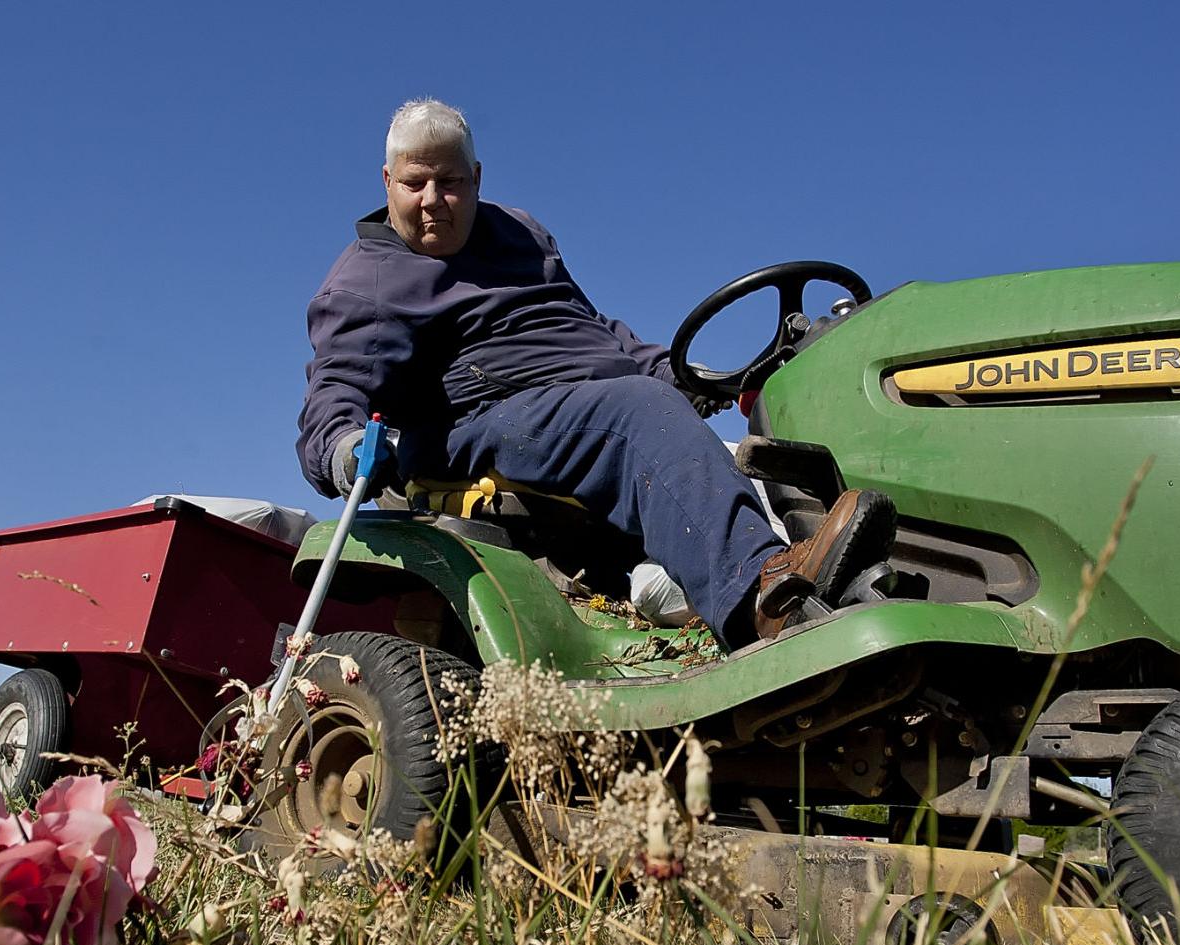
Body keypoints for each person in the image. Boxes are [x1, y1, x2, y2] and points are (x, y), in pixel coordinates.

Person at [296, 99, 894, 649]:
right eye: (414, 183)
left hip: (585, 406)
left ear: (476, 179)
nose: (431, 199)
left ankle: (875, 569)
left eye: (449, 182)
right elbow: (333, 397)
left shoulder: (520, 234)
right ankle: (762, 599)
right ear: (387, 182)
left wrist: (681, 373)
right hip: (481, 423)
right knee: (637, 414)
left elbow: (592, 330)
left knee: (772, 425)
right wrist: (345, 451)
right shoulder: (366, 282)